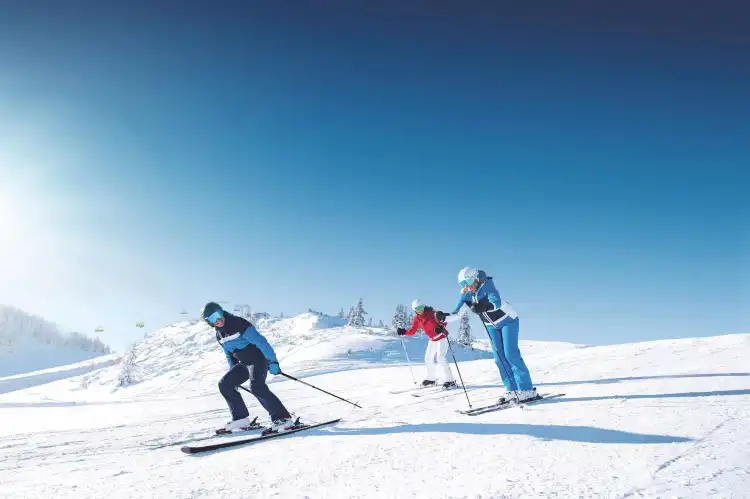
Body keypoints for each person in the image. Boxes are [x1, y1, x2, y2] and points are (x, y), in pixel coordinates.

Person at [449, 267, 537, 403]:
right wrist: (442, 318)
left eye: (469, 281)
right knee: (499, 358)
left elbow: (496, 301)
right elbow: (457, 313)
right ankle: (512, 390)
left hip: (508, 321)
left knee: (510, 354)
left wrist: (484, 306)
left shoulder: (487, 285)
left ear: (476, 278)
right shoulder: (467, 294)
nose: (467, 286)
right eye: (463, 284)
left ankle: (526, 389)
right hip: (492, 326)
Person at [202, 302, 293, 433]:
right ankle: (240, 419)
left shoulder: (238, 324)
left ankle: (283, 419)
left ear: (222, 312)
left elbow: (261, 342)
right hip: (244, 363)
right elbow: (229, 354)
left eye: (218, 314)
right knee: (225, 384)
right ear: (209, 322)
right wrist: (233, 373)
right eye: (212, 318)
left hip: (258, 359)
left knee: (256, 386)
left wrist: (272, 361)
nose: (218, 319)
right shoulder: (219, 335)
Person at [397, 299, 456, 389]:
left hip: (441, 337)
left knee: (440, 358)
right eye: (417, 309)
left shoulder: (432, 313)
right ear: (414, 310)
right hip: (432, 340)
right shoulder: (417, 319)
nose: (419, 310)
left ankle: (450, 380)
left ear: (423, 306)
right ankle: (431, 378)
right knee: (428, 358)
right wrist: (404, 332)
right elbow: (412, 331)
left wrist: (440, 327)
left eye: (421, 307)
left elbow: (445, 320)